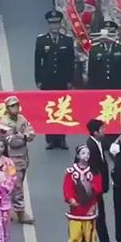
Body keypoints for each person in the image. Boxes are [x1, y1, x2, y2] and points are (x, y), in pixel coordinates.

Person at [34, 9, 75, 150]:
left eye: (57, 23)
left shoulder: (67, 40)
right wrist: (38, 80)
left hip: (62, 80)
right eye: (52, 24)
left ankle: (62, 139)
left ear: (60, 24)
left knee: (62, 110)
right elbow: (37, 62)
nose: (54, 26)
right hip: (47, 80)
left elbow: (71, 62)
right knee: (50, 110)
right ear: (48, 25)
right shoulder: (41, 40)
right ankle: (51, 139)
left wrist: (70, 80)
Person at [62, 143, 102, 242]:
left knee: (89, 234)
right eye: (83, 153)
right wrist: (71, 199)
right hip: (76, 208)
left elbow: (98, 187)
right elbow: (67, 187)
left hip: (89, 207)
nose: (86, 156)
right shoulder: (71, 171)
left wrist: (90, 189)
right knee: (75, 234)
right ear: (78, 155)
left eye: (88, 153)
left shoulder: (94, 171)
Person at [0, 97, 35, 224]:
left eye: (16, 105)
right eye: (12, 106)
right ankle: (20, 211)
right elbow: (12, 141)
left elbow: (31, 133)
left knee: (17, 183)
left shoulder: (22, 119)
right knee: (15, 185)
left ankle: (9, 208)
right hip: (10, 160)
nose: (15, 108)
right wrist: (23, 136)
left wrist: (22, 136)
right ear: (7, 108)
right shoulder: (4, 123)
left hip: (23, 157)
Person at [85, 118, 118, 242]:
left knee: (100, 219)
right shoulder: (90, 147)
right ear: (95, 132)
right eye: (102, 129)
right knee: (95, 219)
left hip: (98, 189)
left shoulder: (98, 144)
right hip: (94, 191)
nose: (104, 131)